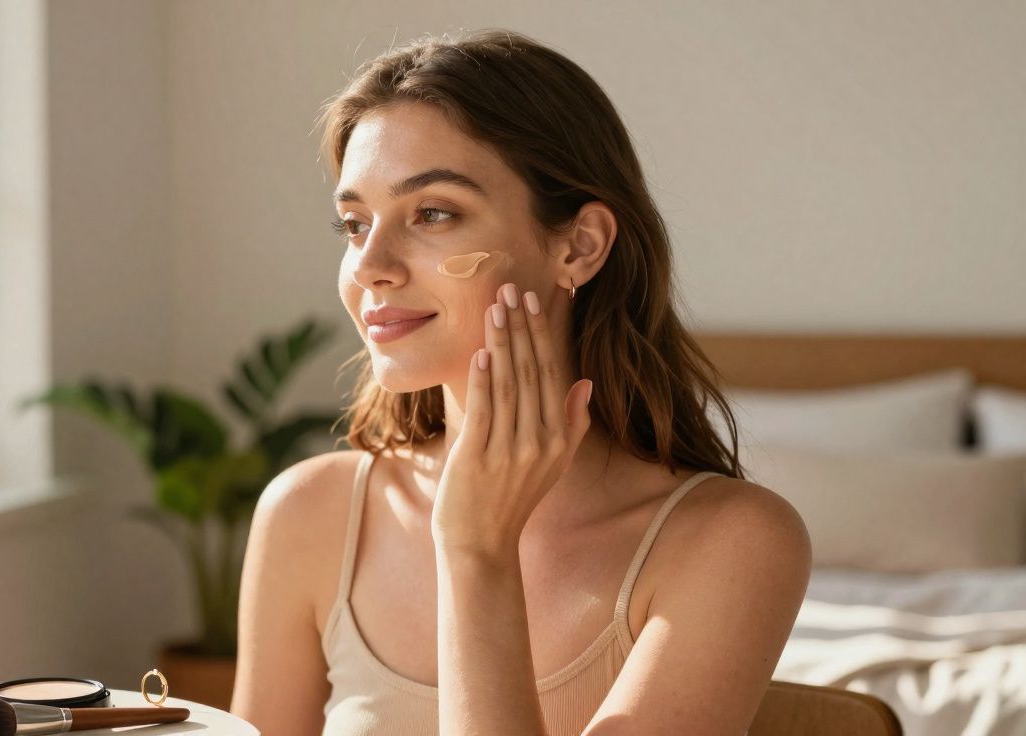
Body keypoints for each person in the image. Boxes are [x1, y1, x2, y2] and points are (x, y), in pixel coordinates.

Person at [231, 28, 811, 736]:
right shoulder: (308, 516)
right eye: (353, 224)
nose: (371, 264)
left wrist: (476, 550)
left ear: (580, 245)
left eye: (433, 213)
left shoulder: (731, 543)